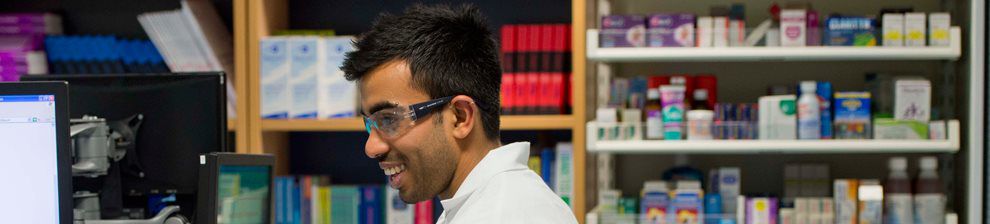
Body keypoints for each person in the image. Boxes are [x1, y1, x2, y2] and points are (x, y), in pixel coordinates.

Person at [341, 4, 578, 224]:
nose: (371, 148)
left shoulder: (500, 215)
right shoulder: (490, 201)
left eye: (389, 119)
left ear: (460, 117)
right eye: (371, 124)